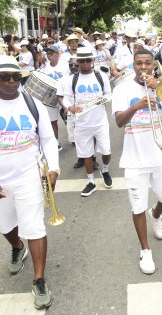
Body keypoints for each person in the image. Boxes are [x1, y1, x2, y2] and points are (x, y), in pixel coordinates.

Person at [112, 48, 162, 274]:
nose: (143, 67)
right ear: (133, 65)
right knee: (137, 205)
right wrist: (135, 106)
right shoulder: (122, 89)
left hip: (161, 157)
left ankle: (157, 214)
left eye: (147, 63)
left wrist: (157, 89)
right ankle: (145, 250)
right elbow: (119, 121)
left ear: (153, 65)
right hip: (135, 160)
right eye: (139, 63)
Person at [0, 55, 59, 309]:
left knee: (35, 227)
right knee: (5, 226)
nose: (12, 81)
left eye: (16, 77)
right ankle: (16, 246)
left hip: (30, 178)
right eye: (5, 77)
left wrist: (53, 168)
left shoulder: (33, 104)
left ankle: (39, 279)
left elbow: (47, 139)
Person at [58, 46, 113, 196]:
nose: (85, 64)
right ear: (78, 61)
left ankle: (105, 170)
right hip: (81, 123)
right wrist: (70, 107)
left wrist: (102, 100)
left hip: (100, 121)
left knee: (106, 151)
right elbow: (66, 98)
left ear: (93, 60)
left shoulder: (101, 76)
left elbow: (108, 94)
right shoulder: (72, 79)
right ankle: (91, 181)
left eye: (88, 60)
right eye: (82, 61)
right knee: (86, 154)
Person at [39, 44, 69, 150]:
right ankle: (56, 142)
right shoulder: (44, 68)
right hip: (50, 98)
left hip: (64, 97)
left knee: (68, 119)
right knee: (52, 121)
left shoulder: (65, 66)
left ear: (57, 55)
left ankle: (74, 138)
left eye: (51, 53)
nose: (49, 55)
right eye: (48, 53)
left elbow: (67, 82)